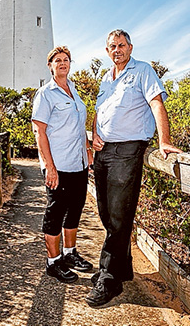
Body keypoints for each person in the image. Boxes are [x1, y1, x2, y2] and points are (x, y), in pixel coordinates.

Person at [86, 29, 181, 307]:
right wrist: (95, 136)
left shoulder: (143, 71)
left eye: (122, 45)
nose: (117, 50)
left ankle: (109, 277)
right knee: (106, 212)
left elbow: (156, 102)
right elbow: (99, 112)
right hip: (104, 151)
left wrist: (165, 140)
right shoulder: (106, 78)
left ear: (130, 47)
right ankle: (122, 268)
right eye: (112, 46)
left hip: (128, 150)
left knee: (119, 215)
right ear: (107, 51)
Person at [32, 46, 94, 283]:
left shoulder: (74, 90)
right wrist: (50, 166)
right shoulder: (46, 94)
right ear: (50, 65)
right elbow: (39, 131)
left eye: (66, 59)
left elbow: (79, 129)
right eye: (57, 60)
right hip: (58, 164)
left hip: (77, 162)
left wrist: (87, 152)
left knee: (75, 209)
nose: (62, 63)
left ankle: (69, 253)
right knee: (55, 211)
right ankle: (53, 261)